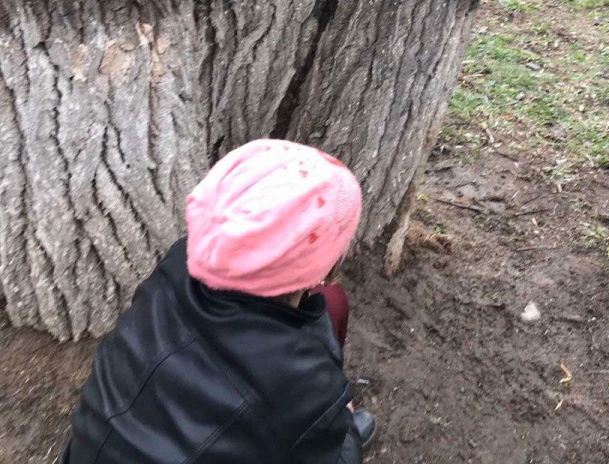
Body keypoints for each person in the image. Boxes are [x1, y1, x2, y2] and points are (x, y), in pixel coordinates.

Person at [58, 139, 375, 463]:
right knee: (333, 309)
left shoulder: (179, 262)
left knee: (330, 303)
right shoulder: (306, 383)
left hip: (88, 451)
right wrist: (341, 420)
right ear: (317, 264)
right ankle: (341, 430)